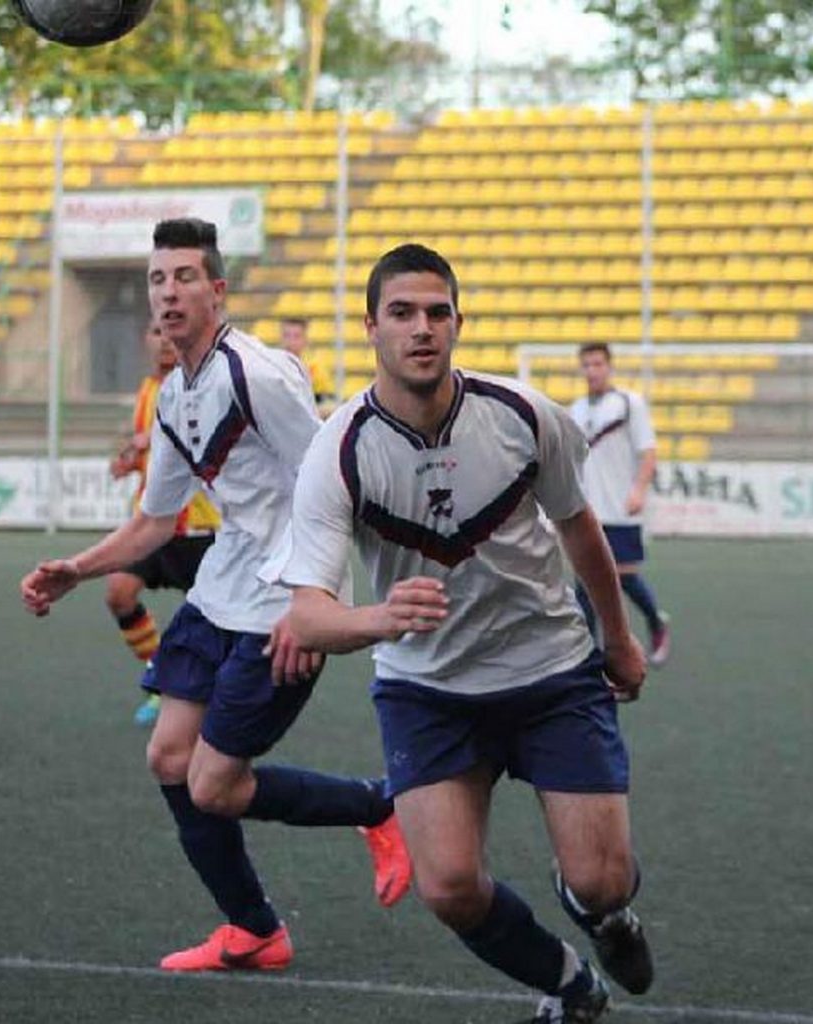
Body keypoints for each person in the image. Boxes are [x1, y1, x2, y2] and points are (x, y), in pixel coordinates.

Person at [21, 218, 411, 973]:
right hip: (222, 587)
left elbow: (332, 485)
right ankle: (255, 930)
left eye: (184, 277)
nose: (167, 293)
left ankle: (378, 805)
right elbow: (155, 520)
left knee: (214, 785)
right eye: (157, 280)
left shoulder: (257, 375)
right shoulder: (175, 393)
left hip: (282, 601)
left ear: (217, 290)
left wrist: (311, 602)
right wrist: (78, 569)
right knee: (170, 757)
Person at [278, 243, 653, 1023]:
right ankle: (570, 986)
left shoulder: (522, 414)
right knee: (448, 885)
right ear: (371, 327)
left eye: (436, 312)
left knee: (603, 881)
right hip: (428, 690)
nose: (421, 328)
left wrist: (617, 638)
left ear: (457, 323)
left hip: (550, 672)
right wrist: (379, 618)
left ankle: (599, 909)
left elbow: (579, 528)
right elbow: (306, 614)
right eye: (401, 313)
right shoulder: (338, 449)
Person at [107, 319, 220, 727]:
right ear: (146, 339)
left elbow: (203, 443)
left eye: (170, 332)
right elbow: (154, 457)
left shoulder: (201, 386)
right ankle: (161, 678)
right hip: (154, 526)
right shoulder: (146, 389)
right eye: (156, 332)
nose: (165, 340)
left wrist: (150, 441)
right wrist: (130, 460)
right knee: (119, 593)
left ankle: (212, 696)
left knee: (218, 623)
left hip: (200, 528)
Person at [568, 344, 671, 666]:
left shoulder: (629, 403)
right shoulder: (576, 409)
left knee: (624, 576)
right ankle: (591, 655)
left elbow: (648, 451)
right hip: (588, 510)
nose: (592, 371)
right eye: (587, 365)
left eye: (598, 364)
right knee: (585, 581)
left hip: (620, 507)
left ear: (609, 367)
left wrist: (639, 490)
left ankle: (656, 622)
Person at [279, 316, 336, 414]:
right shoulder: (274, 364)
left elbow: (327, 401)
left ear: (305, 339)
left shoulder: (316, 366)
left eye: (296, 336)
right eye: (287, 336)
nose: (291, 341)